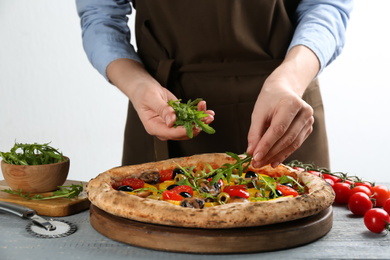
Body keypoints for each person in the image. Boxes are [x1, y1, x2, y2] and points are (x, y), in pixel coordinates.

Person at [76, 0, 353, 169]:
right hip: (163, 106)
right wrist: (137, 85)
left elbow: (326, 5)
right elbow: (100, 18)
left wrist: (291, 79)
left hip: (286, 105)